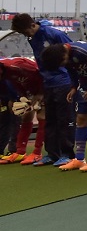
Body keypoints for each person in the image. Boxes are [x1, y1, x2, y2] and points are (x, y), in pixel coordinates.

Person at [10, 14, 74, 167]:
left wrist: (73, 82)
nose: (25, 35)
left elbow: (72, 54)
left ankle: (68, 154)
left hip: (63, 81)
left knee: (63, 120)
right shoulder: (32, 38)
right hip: (48, 83)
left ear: (32, 25)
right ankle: (52, 154)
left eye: (26, 31)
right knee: (49, 120)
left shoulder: (54, 34)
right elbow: (40, 63)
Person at [40, 41, 87, 172]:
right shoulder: (63, 57)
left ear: (63, 55)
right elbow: (72, 72)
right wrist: (74, 87)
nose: (63, 65)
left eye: (62, 63)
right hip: (84, 86)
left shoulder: (83, 51)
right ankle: (79, 159)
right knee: (81, 120)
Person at [0, 57, 45, 165]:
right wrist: (23, 96)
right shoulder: (6, 73)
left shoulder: (18, 66)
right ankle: (20, 152)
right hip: (28, 89)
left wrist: (40, 94)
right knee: (26, 115)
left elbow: (42, 75)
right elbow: (16, 82)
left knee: (42, 116)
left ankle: (37, 152)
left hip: (44, 86)